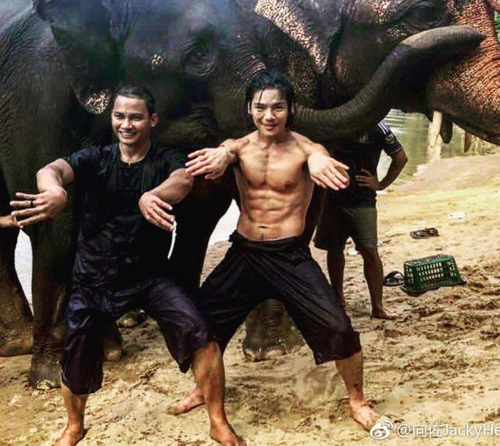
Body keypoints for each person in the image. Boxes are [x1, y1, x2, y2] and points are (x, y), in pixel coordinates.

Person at [10, 86, 245, 446]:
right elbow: (52, 169)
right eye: (120, 116)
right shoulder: (95, 158)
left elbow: (182, 180)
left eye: (135, 117)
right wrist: (54, 191)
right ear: (112, 118)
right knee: (75, 359)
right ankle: (74, 427)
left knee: (200, 335)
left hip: (149, 277)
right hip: (93, 278)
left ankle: (218, 422)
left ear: (152, 120)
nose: (126, 124)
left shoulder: (166, 159)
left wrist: (154, 195)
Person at [180, 71, 380, 431]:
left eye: (278, 107)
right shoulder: (238, 147)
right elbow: (226, 151)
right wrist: (221, 156)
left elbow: (317, 156)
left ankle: (357, 400)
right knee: (200, 324)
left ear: (291, 110)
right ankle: (202, 389)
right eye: (261, 107)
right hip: (245, 252)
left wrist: (319, 162)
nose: (269, 115)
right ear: (249, 109)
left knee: (338, 326)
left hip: (289, 255)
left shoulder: (306, 149)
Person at [314, 123, 408, 320]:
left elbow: (400, 158)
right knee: (335, 249)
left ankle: (378, 307)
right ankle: (339, 300)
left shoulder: (379, 128)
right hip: (332, 198)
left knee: (369, 251)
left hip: (362, 201)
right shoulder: (334, 122)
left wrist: (380, 184)